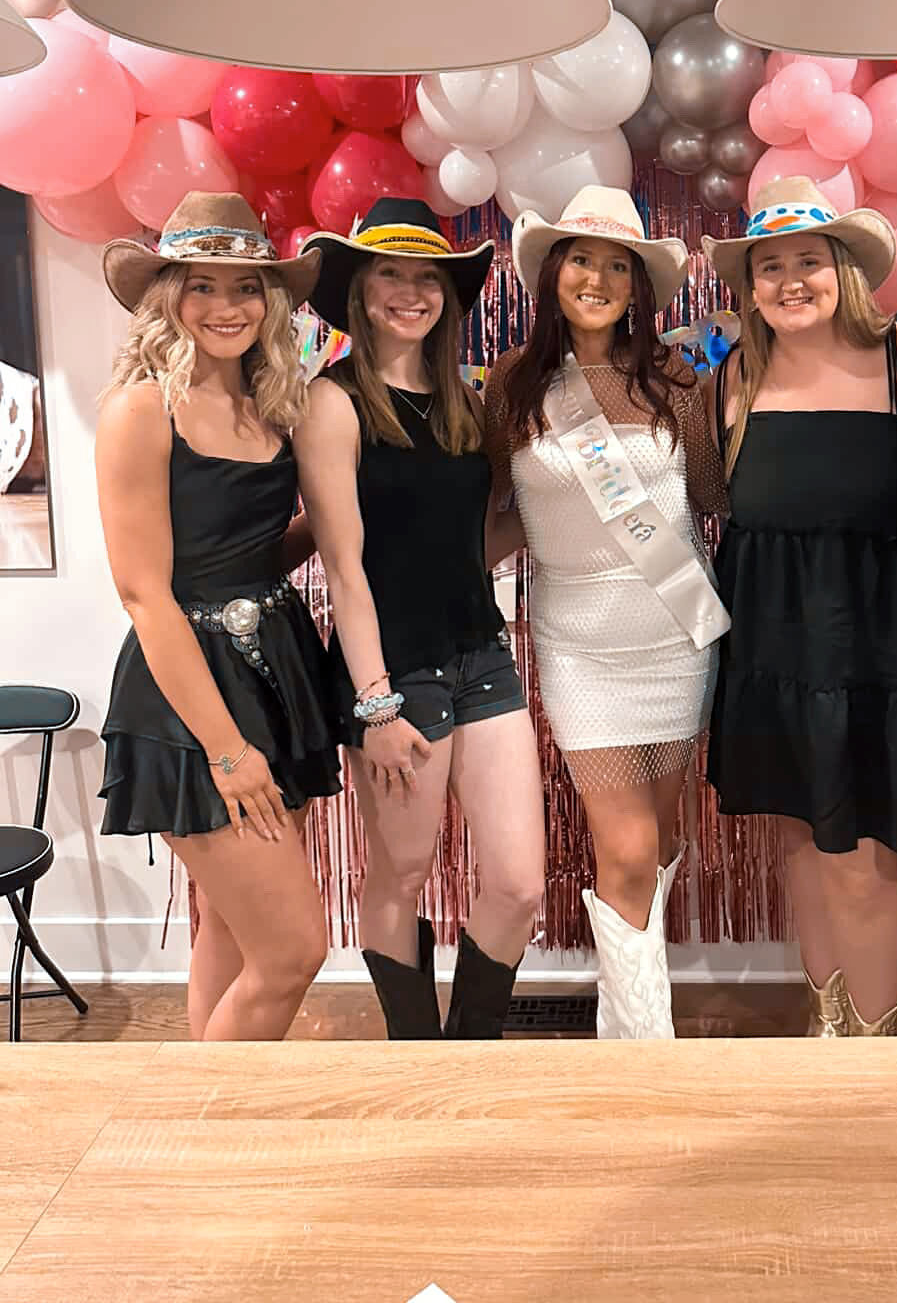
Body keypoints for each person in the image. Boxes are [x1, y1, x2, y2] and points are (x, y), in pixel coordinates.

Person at [701, 177, 897, 1038]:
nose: (790, 281)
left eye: (809, 260)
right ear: (750, 287)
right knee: (800, 846)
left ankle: (877, 1050)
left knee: (865, 863)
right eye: (770, 267)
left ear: (846, 269)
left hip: (881, 654)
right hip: (771, 649)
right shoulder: (736, 372)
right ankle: (828, 1024)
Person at [295, 199, 545, 1040]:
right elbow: (344, 566)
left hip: (482, 655)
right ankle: (414, 1053)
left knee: (518, 884)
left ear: (448, 294)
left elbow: (469, 546)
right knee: (402, 871)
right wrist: (375, 703)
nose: (410, 292)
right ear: (360, 292)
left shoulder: (465, 403)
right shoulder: (332, 404)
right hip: (391, 671)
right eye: (390, 275)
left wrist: (568, 510)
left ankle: (468, 1051)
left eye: (426, 277)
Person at [484, 185, 728, 1040]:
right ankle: (637, 1055)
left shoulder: (671, 376)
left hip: (675, 636)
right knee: (624, 851)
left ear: (639, 285)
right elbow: (492, 512)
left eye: (617, 265)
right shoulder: (514, 382)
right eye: (583, 258)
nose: (597, 276)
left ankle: (636, 1016)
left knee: (657, 848)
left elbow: (709, 495)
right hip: (580, 650)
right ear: (552, 273)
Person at [96, 192, 338, 1041]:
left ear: (270, 300)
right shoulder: (139, 410)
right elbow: (143, 592)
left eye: (245, 288)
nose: (226, 307)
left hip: (278, 668)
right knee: (293, 952)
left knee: (231, 932)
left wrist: (349, 518)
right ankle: (220, 1121)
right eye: (203, 286)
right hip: (191, 696)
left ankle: (202, 1129)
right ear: (169, 296)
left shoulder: (270, 404)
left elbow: (249, 553)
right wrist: (228, 750)